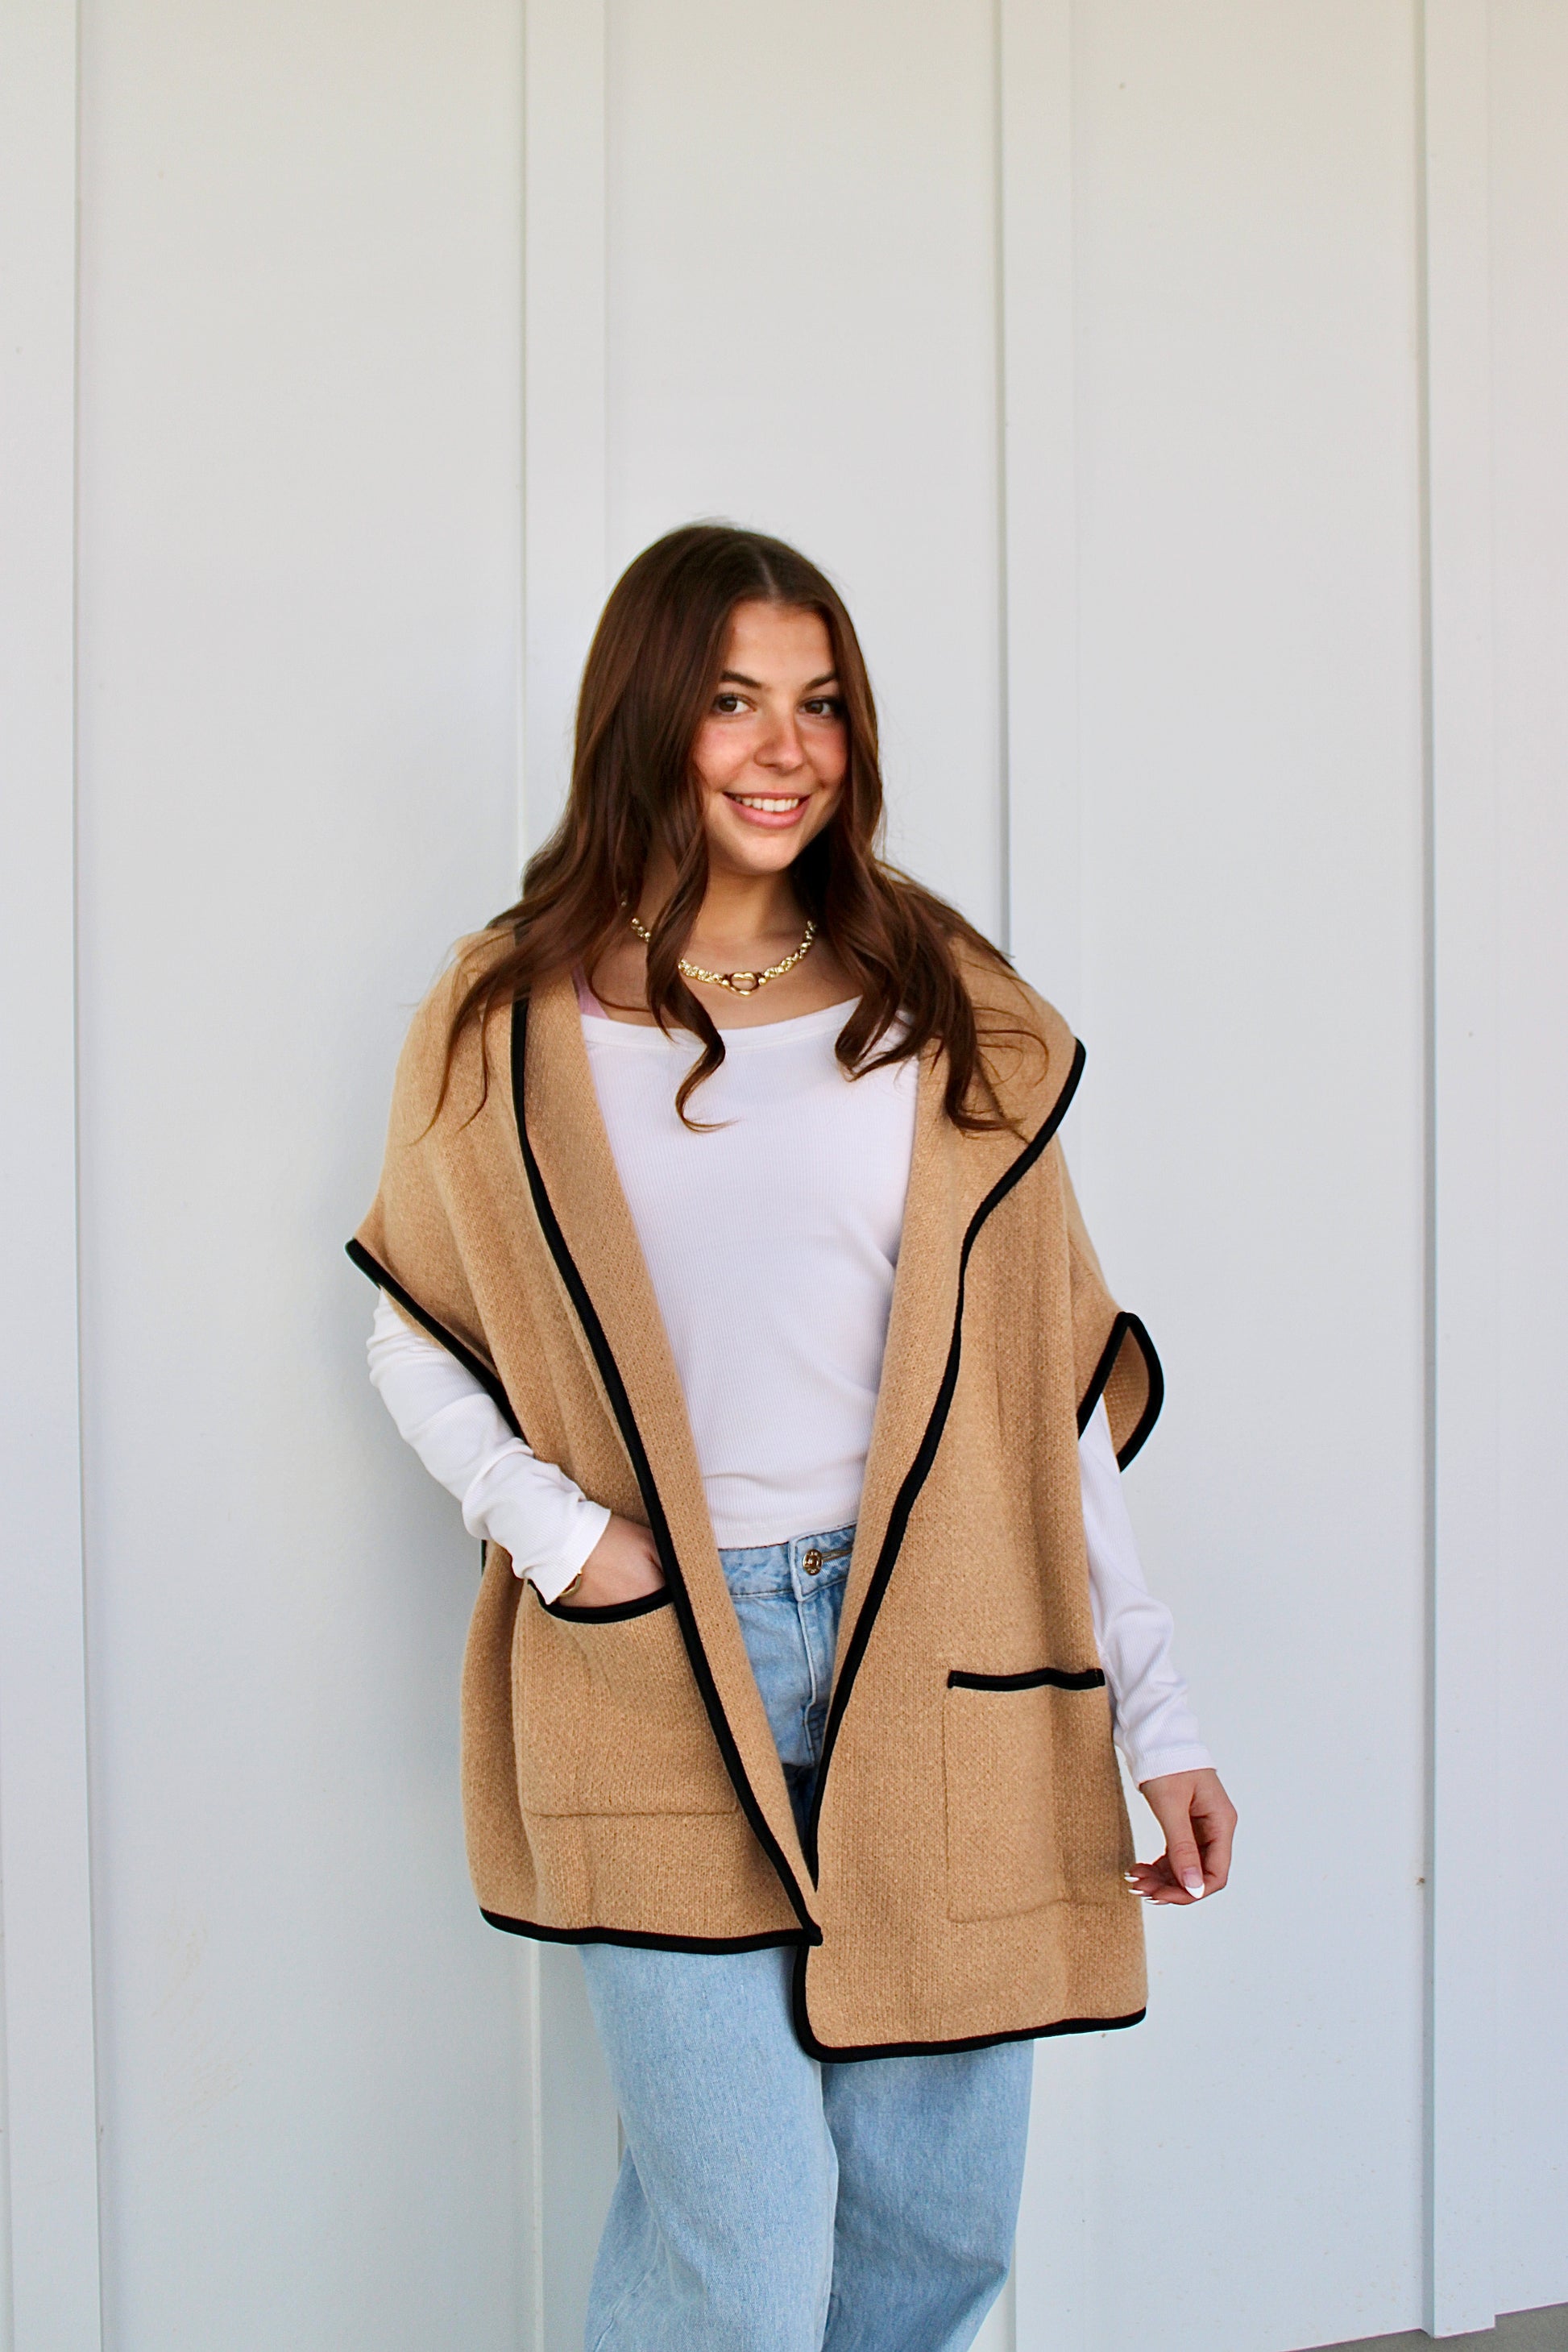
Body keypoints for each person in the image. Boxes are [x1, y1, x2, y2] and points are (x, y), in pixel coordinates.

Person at [348, 522, 1236, 2352]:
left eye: (820, 703)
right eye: (733, 700)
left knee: (928, 2236)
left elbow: (1044, 1395)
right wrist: (557, 1534)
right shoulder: (506, 1017)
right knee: (742, 2258)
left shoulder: (939, 1000)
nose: (784, 748)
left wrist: (1159, 1718)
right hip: (658, 1655)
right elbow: (412, 1324)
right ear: (644, 719)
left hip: (956, 1649)